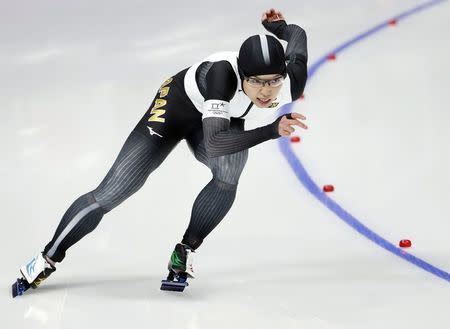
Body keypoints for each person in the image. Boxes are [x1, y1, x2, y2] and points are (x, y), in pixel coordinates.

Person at [15, 8, 308, 292]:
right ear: (242, 74)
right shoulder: (223, 75)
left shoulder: (291, 80)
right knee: (113, 191)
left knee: (229, 173)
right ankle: (47, 257)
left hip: (220, 118)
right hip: (175, 110)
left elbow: (297, 34)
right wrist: (270, 131)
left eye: (273, 81)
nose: (266, 91)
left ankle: (185, 250)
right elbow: (217, 142)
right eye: (256, 81)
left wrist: (279, 29)